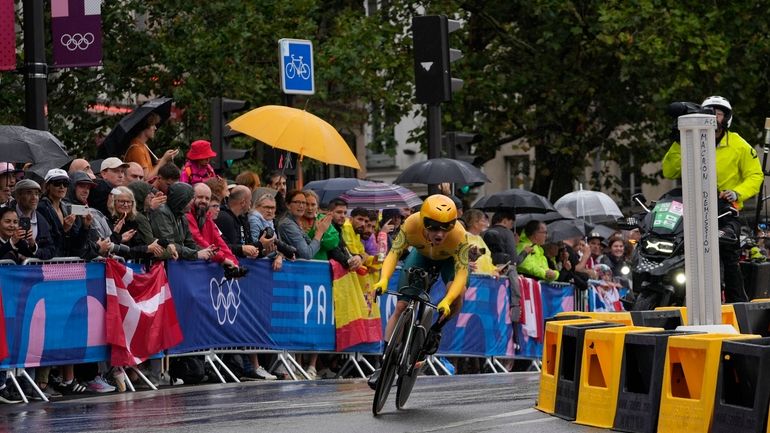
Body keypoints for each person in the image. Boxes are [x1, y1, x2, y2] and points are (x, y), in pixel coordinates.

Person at [662, 95, 763, 303]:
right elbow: (669, 171)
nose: (714, 117)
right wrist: (676, 143)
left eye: (718, 113)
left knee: (727, 253)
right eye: (709, 112)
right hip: (693, 210)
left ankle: (737, 305)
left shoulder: (739, 144)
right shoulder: (690, 140)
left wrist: (737, 192)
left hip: (726, 211)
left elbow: (756, 175)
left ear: (726, 118)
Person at [368, 195, 469, 389]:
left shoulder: (460, 236)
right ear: (423, 220)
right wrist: (383, 280)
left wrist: (448, 300)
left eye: (446, 227)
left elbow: (462, 274)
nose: (439, 234)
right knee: (401, 306)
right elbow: (394, 253)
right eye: (433, 226)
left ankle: (436, 330)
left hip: (449, 261)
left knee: (458, 294)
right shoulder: (411, 224)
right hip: (421, 256)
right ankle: (383, 364)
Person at [277, 190, 332, 259]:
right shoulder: (287, 224)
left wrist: (317, 231)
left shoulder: (295, 222)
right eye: (297, 202)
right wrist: (320, 233)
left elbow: (310, 244)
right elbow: (307, 254)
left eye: (304, 203)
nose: (301, 206)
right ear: (288, 205)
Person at [123, 112, 179, 178]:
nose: (155, 128)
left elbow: (150, 172)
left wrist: (162, 162)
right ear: (145, 127)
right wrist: (163, 161)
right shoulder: (137, 149)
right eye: (153, 125)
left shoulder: (143, 145)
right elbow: (146, 178)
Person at [13, 179, 55, 260]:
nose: (34, 198)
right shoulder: (6, 215)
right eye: (29, 193)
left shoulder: (42, 221)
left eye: (36, 194)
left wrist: (34, 248)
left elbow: (50, 250)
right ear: (18, 196)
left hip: (34, 270)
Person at [462, 209, 497, 275]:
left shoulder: (479, 238)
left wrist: (494, 270)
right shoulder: (463, 237)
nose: (486, 224)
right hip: (473, 280)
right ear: (475, 223)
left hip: (484, 279)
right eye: (483, 221)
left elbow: (487, 258)